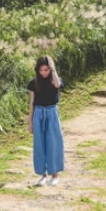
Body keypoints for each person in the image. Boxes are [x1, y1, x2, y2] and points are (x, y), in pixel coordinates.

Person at [27, 55, 64, 187]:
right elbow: (31, 102)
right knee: (39, 144)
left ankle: (55, 175)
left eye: (46, 70)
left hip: (52, 112)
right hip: (38, 113)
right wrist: (30, 121)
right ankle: (42, 175)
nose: (44, 73)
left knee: (54, 142)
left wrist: (53, 69)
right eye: (41, 70)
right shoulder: (33, 83)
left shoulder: (55, 80)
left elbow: (58, 84)